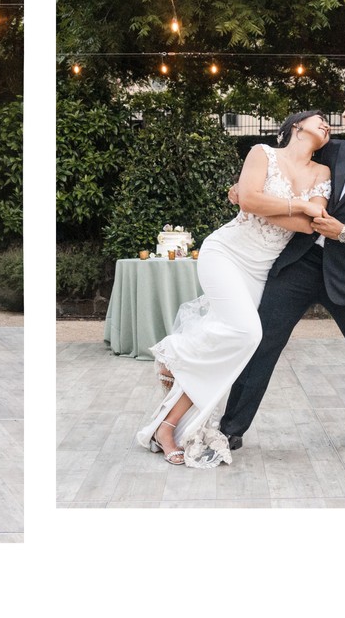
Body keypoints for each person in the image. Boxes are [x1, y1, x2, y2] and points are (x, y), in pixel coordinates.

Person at [218, 79, 345, 454]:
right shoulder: (333, 149)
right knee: (262, 344)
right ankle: (230, 428)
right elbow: (287, 167)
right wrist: (243, 190)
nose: (342, 113)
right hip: (300, 262)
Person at [136, 111, 332, 467]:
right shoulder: (261, 154)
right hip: (226, 253)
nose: (327, 125)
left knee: (233, 349)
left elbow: (308, 224)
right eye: (320, 119)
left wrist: (259, 201)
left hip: (260, 270)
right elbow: (250, 202)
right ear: (296, 127)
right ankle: (175, 353)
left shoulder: (322, 173)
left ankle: (167, 424)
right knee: (247, 334)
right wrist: (286, 203)